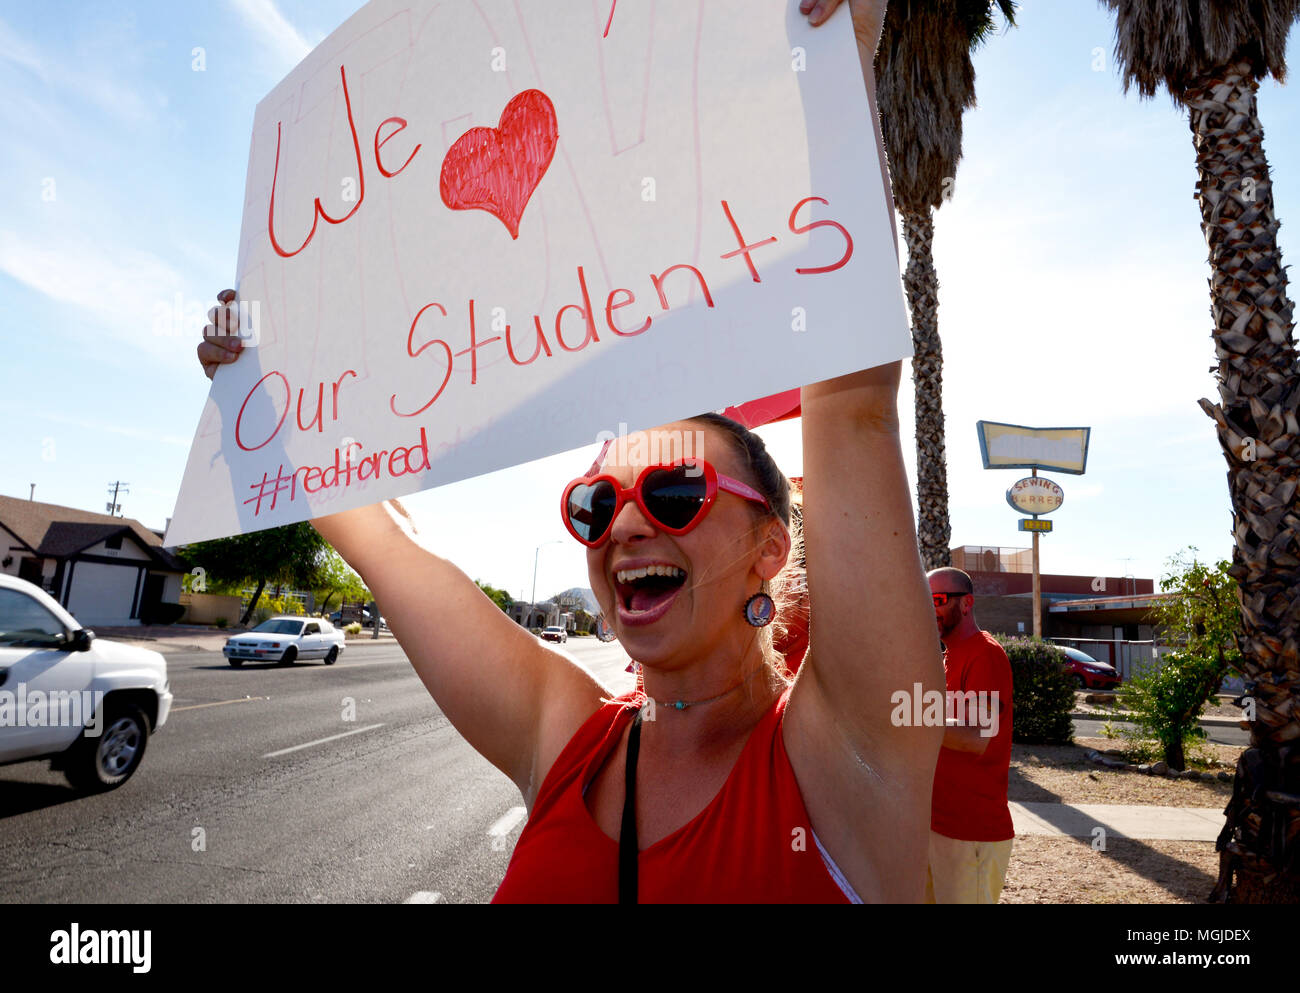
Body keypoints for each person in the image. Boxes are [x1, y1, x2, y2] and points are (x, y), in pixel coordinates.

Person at [197, 0, 943, 903]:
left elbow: (852, 403)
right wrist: (263, 382)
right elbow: (383, 544)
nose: (624, 522)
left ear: (770, 548)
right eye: (595, 503)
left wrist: (841, 59)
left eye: (673, 490)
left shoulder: (850, 756)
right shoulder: (564, 730)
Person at [925, 567, 1015, 904]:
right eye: (926, 600)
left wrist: (911, 720)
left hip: (972, 831)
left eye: (939, 599)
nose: (930, 608)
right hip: (939, 825)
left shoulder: (984, 653)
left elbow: (976, 736)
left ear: (967, 604)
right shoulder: (948, 659)